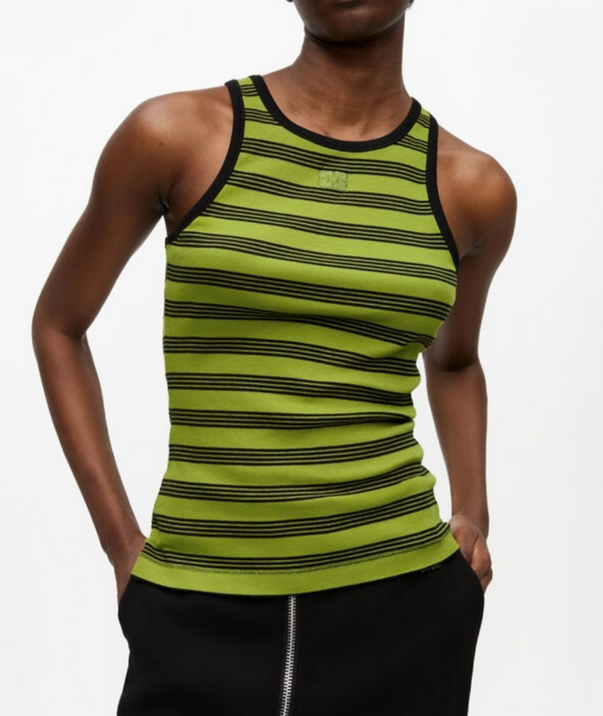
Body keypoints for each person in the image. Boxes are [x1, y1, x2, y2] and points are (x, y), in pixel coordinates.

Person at [32, 1, 516, 714]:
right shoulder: (176, 135)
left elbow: (453, 361)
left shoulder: (471, 187)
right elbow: (59, 325)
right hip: (195, 607)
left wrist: (473, 512)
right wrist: (121, 546)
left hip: (405, 608)